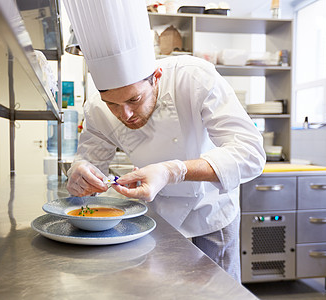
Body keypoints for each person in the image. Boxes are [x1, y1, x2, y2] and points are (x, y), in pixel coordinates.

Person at [63, 0, 265, 282]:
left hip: (211, 212)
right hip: (155, 219)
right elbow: (88, 166)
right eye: (114, 104)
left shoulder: (194, 77)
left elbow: (251, 154)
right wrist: (79, 175)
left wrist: (173, 171)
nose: (126, 114)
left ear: (155, 77)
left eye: (134, 99)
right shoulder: (97, 107)